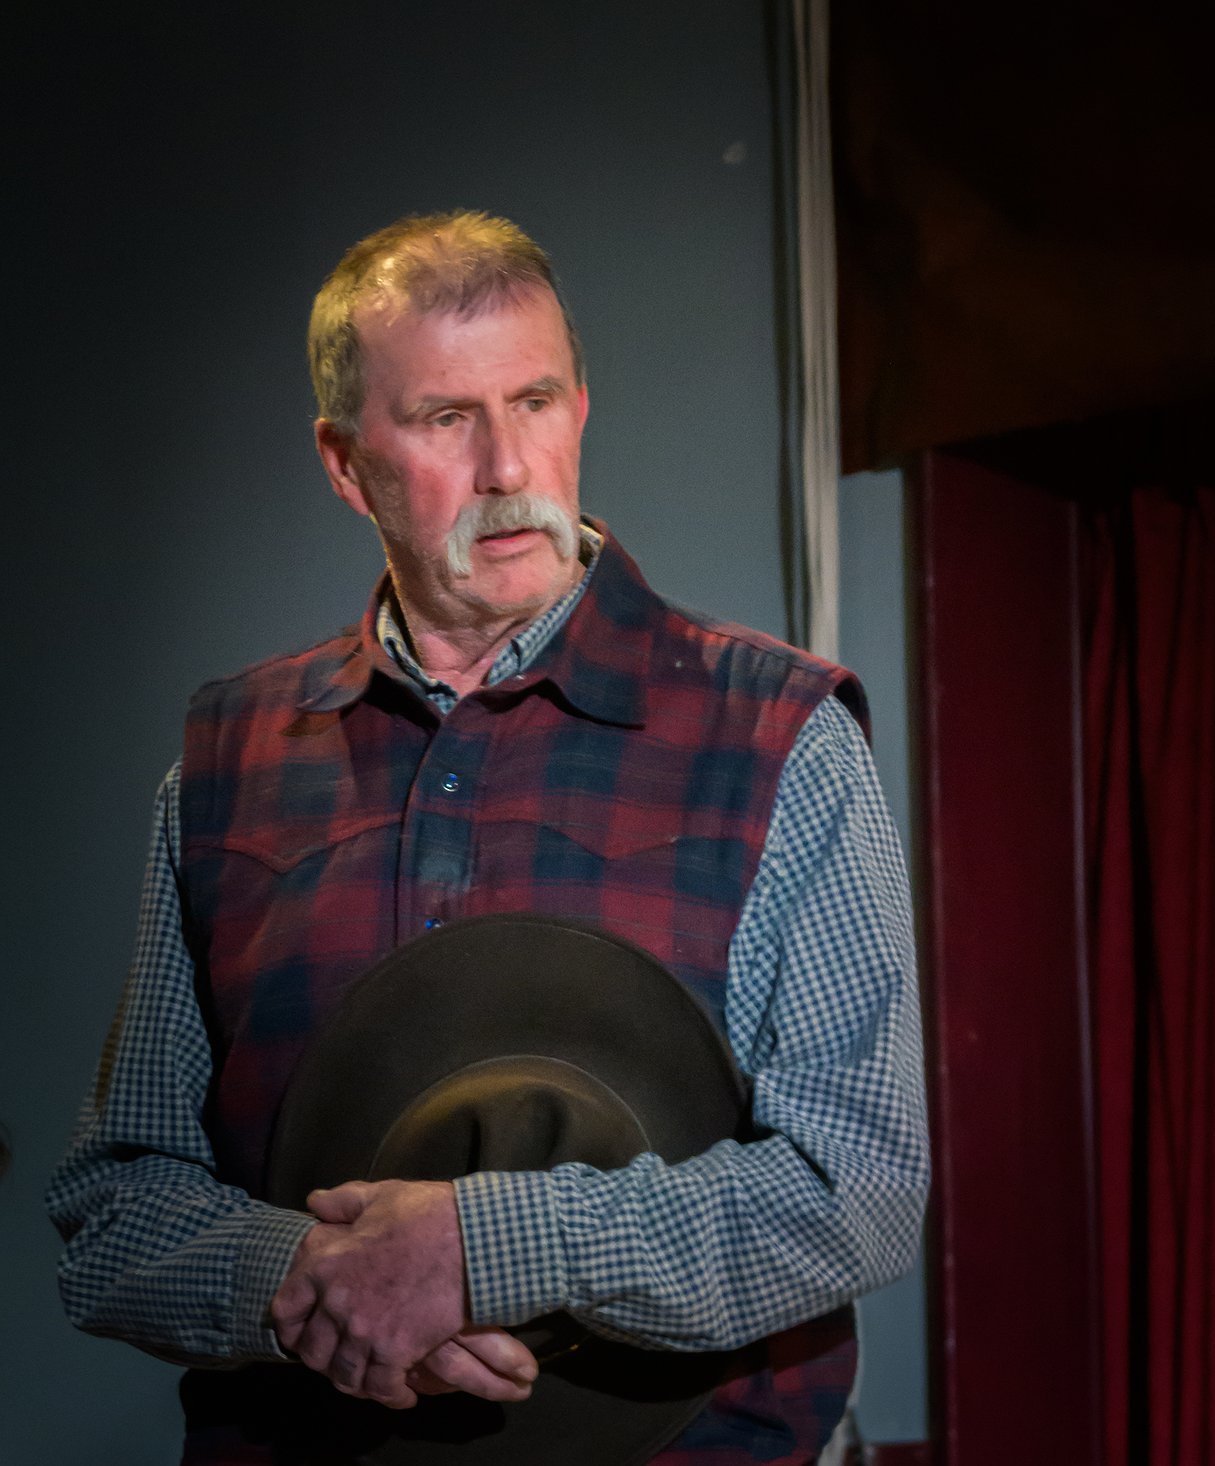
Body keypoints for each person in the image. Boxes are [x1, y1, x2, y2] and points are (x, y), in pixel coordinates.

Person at [48, 211, 929, 1464]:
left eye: (536, 400)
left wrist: (478, 1251)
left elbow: (859, 1187)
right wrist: (315, 1282)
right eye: (447, 417)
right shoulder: (225, 764)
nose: (509, 464)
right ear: (345, 462)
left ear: (581, 407)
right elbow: (114, 1207)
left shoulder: (781, 735)